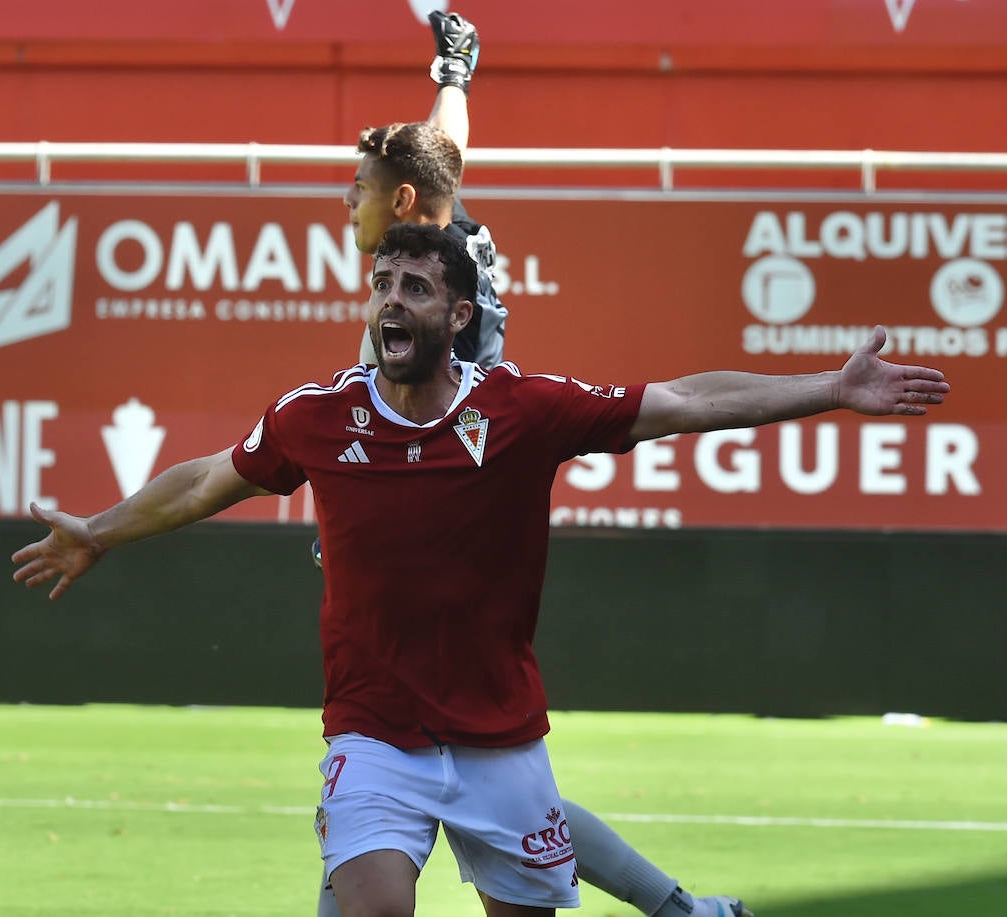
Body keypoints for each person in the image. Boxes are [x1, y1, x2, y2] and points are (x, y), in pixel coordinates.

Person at [12, 221, 951, 915]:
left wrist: (830, 388)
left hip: (499, 739)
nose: (391, 300)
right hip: (376, 735)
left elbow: (686, 401)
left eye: (415, 287)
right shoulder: (317, 416)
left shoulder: (519, 410)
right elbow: (203, 482)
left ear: (458, 315)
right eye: (382, 283)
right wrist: (98, 531)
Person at [325, 13, 753, 916]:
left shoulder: (440, 302)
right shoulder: (440, 226)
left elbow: (449, 410)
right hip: (429, 555)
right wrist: (455, 74)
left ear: (402, 212)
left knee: (492, 794)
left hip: (456, 534)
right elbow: (443, 153)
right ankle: (683, 909)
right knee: (510, 803)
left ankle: (680, 909)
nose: (346, 203)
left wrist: (392, 515)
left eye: (358, 188)